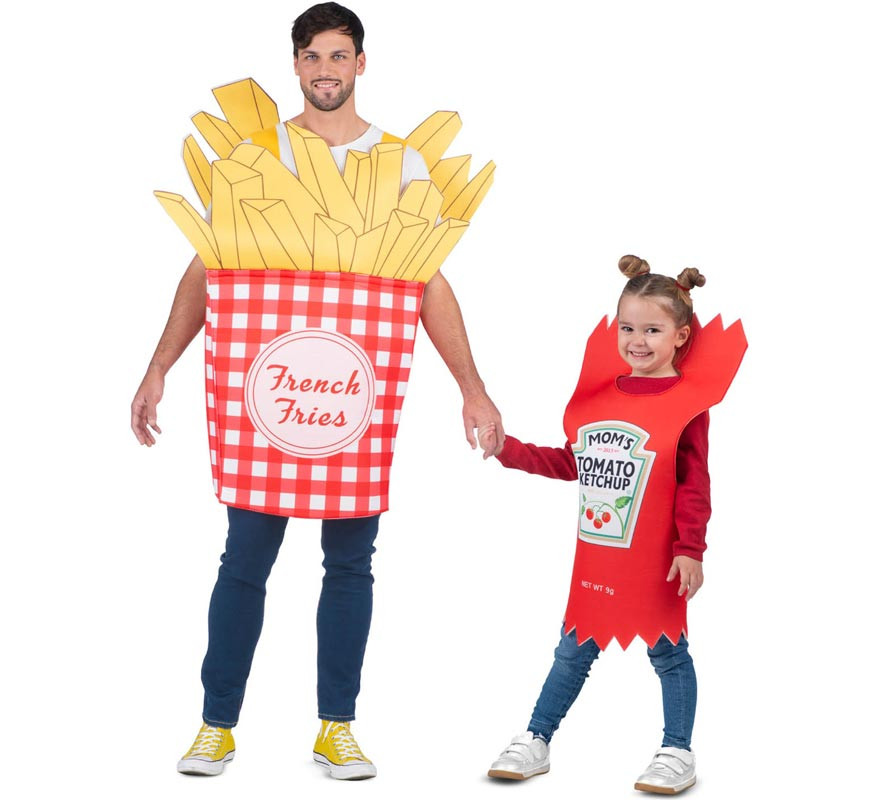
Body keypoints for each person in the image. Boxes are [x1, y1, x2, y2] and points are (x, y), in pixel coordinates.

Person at [130, 2, 503, 781]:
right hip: (269, 387)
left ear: (362, 64)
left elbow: (426, 278)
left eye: (340, 56)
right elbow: (212, 266)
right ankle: (215, 725)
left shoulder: (402, 160)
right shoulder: (257, 151)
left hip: (352, 395)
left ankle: (337, 726)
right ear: (295, 65)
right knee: (245, 560)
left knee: (352, 564)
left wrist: (472, 387)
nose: (326, 71)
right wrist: (160, 361)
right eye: (312, 58)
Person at [478, 255, 745, 794]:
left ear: (681, 336)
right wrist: (508, 450)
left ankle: (677, 751)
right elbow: (574, 463)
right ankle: (536, 738)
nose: (637, 340)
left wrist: (690, 548)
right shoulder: (601, 397)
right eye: (627, 327)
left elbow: (696, 483)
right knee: (573, 648)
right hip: (599, 556)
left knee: (668, 650)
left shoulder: (690, 406)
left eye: (652, 329)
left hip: (657, 557)